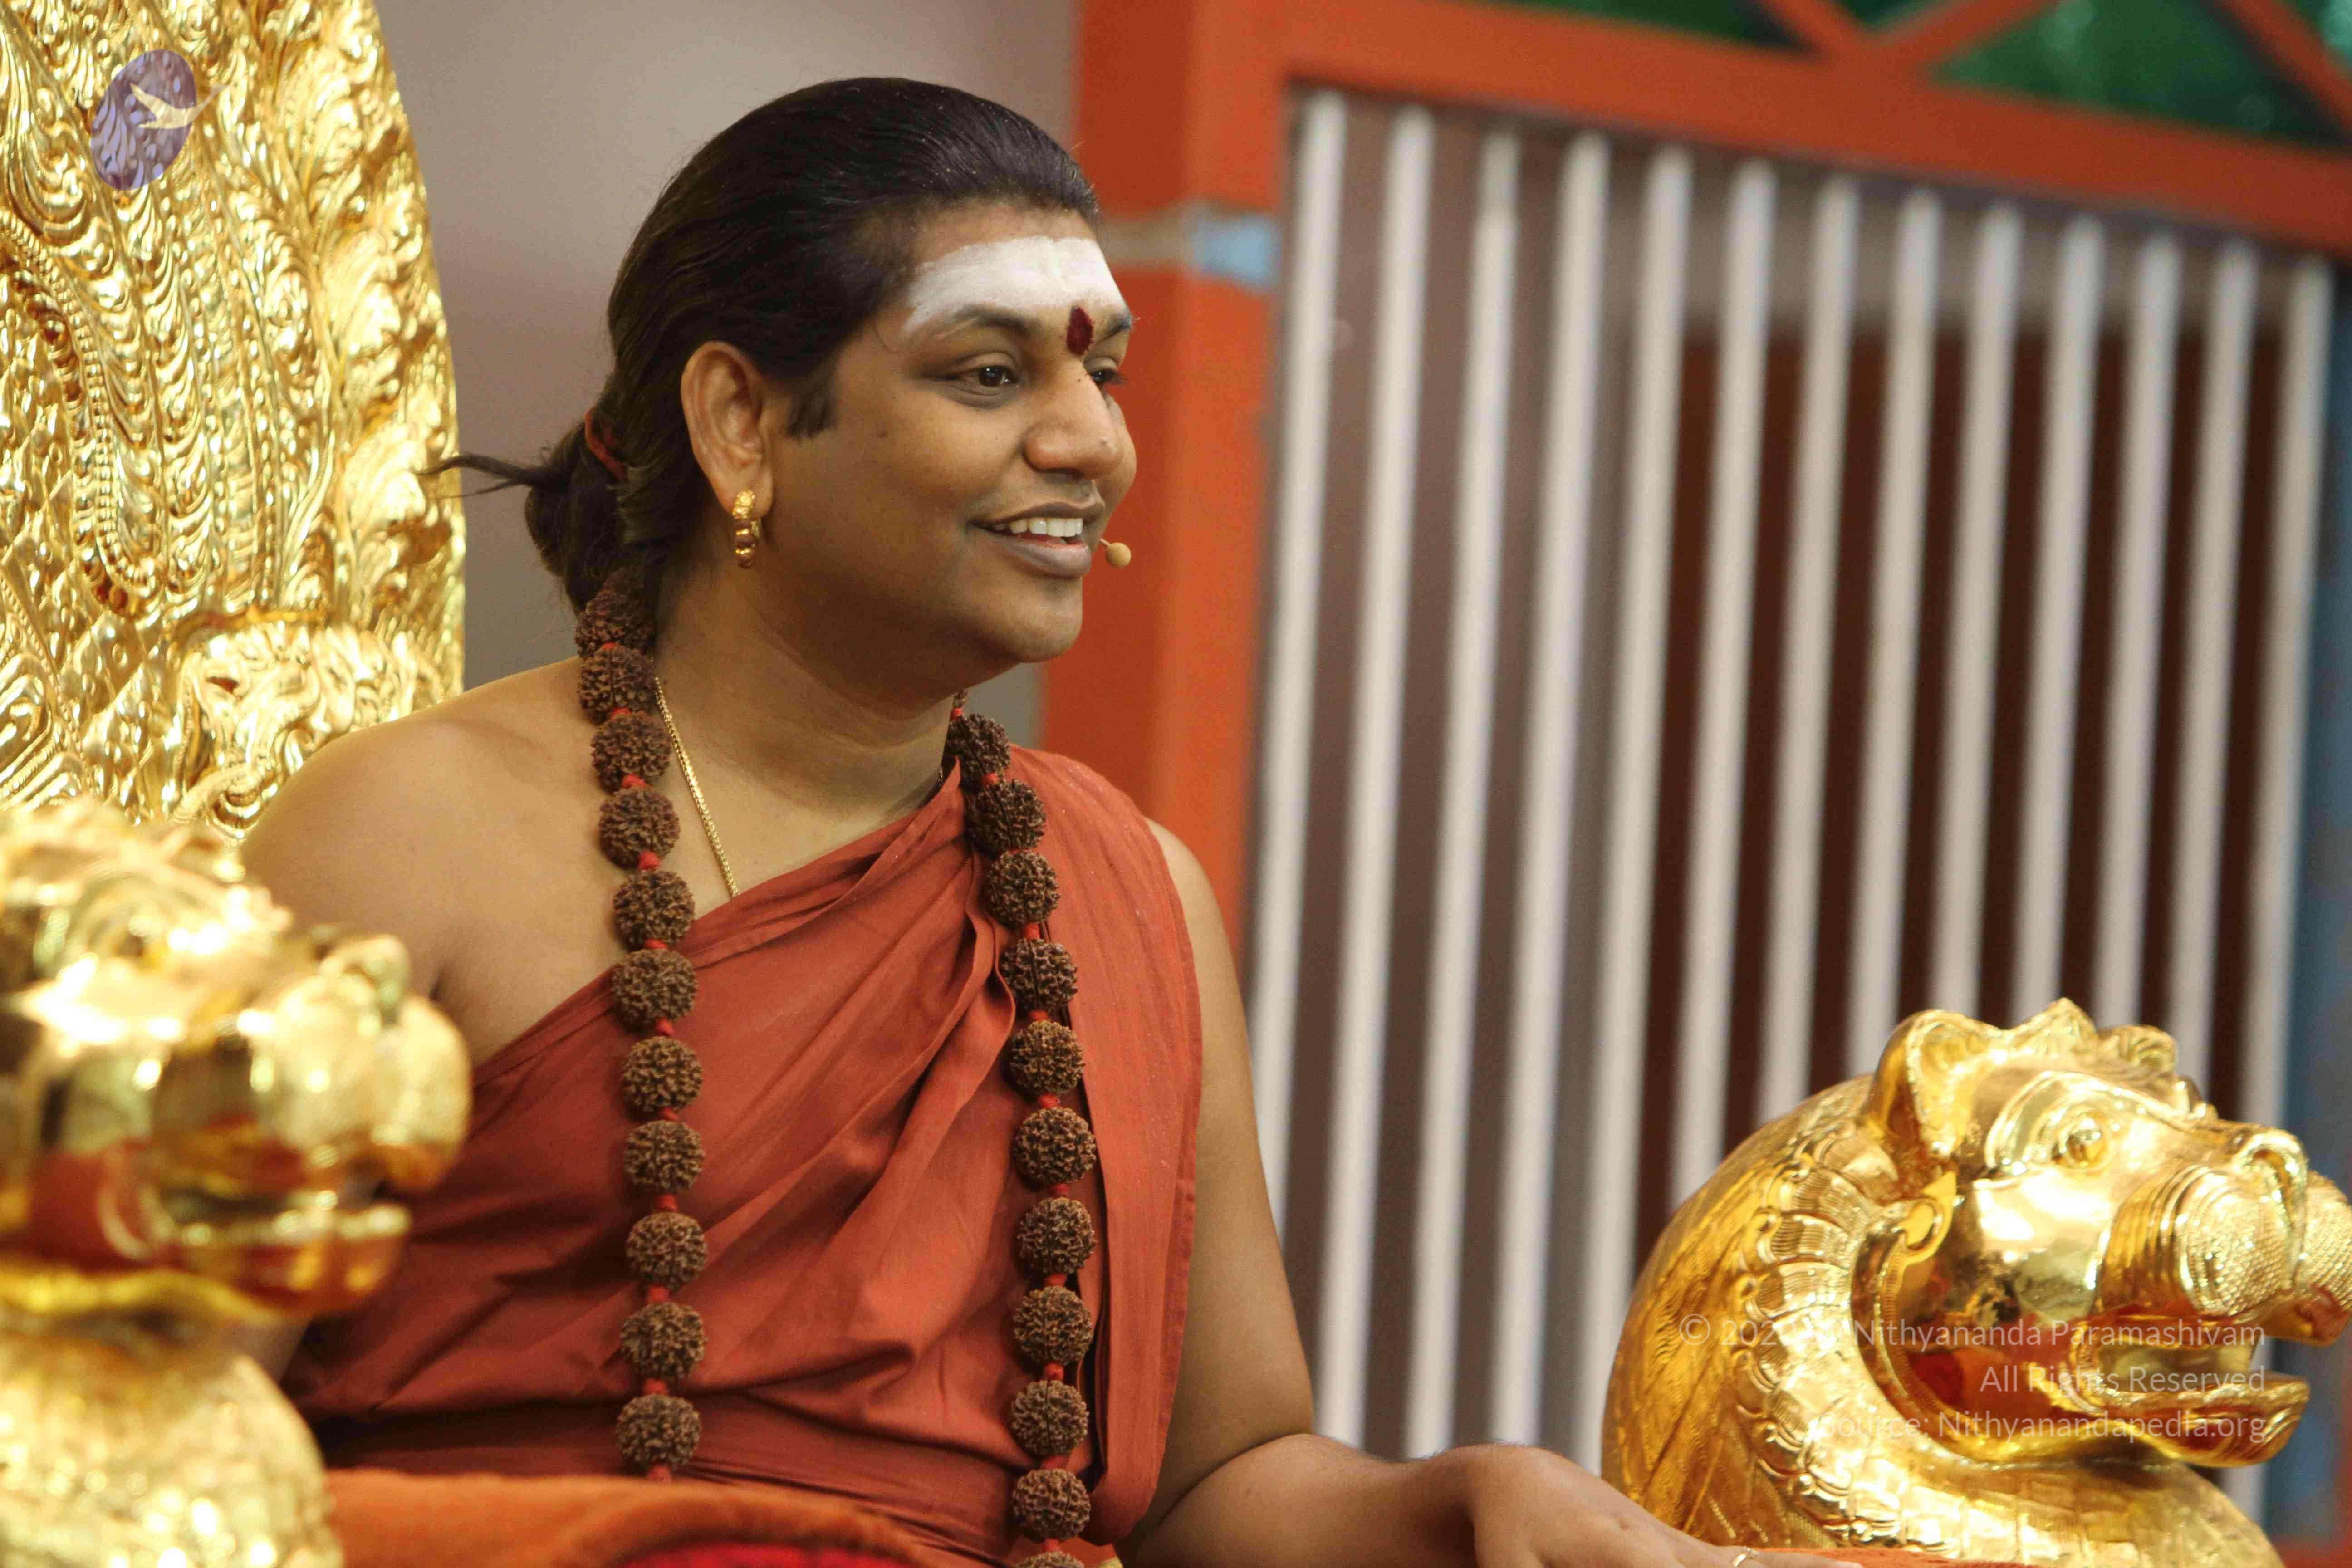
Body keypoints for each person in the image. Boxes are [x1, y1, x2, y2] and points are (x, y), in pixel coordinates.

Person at [240, 76, 1856, 1568]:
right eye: (992, 372)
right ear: (740, 420)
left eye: (1105, 373)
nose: (1095, 444)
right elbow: (151, 1425)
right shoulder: (408, 836)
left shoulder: (1126, 892)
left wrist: (1462, 1502)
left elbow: (1221, 1479)